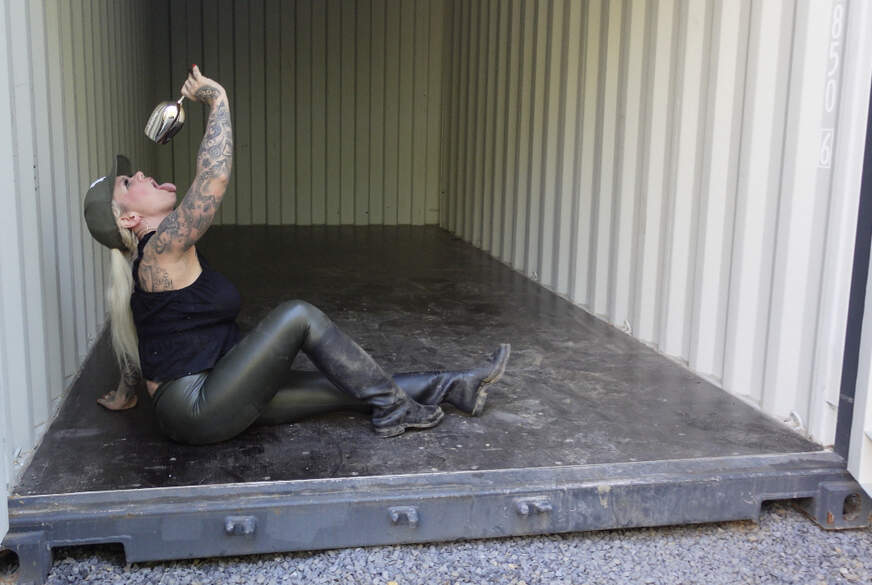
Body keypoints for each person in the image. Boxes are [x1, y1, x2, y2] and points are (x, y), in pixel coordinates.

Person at [82, 66, 510, 445]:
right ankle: (395, 409)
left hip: (220, 384)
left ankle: (457, 385)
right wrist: (217, 99)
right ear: (130, 217)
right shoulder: (160, 250)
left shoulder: (151, 261)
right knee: (298, 316)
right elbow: (212, 179)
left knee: (340, 385)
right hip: (196, 407)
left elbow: (146, 335)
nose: (140, 174)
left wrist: (126, 393)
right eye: (128, 182)